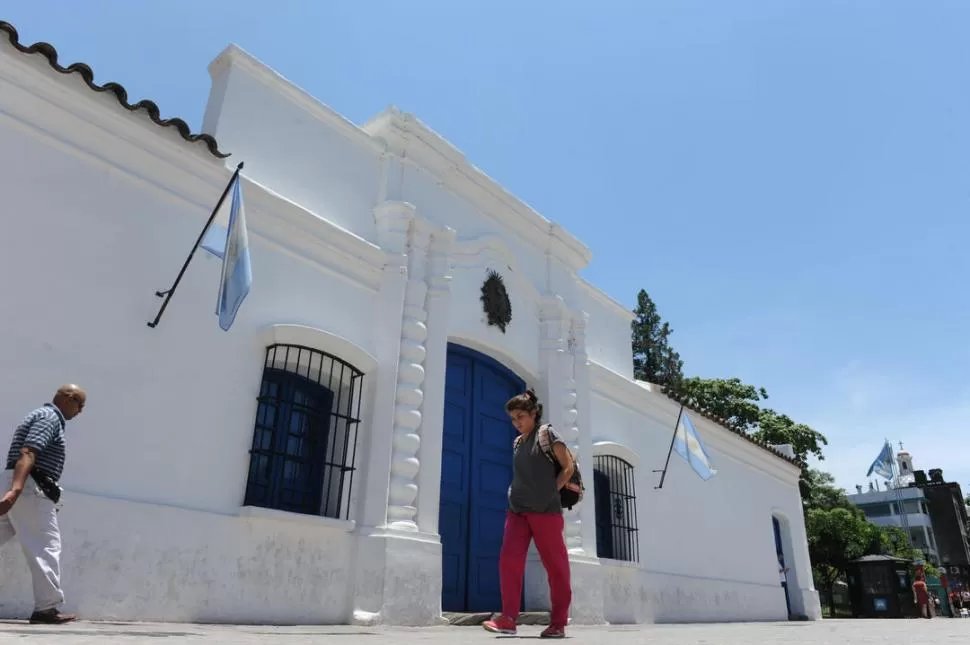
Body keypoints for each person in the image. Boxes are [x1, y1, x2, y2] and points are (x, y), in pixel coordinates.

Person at [483, 389, 578, 639]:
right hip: (517, 511)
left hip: (546, 511)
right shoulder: (517, 443)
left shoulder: (546, 434)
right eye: (513, 419)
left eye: (521, 417)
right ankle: (508, 618)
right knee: (509, 561)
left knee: (556, 567)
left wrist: (550, 492)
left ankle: (558, 622)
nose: (517, 423)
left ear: (534, 414)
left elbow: (568, 466)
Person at [0, 385, 86, 624]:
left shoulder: (40, 415)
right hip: (30, 487)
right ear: (68, 399)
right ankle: (46, 608)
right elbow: (28, 452)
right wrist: (16, 489)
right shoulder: (50, 418)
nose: (81, 411)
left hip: (22, 484)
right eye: (80, 404)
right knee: (47, 545)